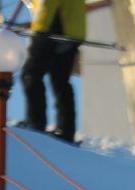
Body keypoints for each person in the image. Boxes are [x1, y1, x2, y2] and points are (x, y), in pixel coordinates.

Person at [20, 0, 88, 144]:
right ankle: (66, 131)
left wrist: (39, 29)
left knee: (31, 75)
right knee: (61, 81)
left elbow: (46, 3)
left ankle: (35, 123)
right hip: (72, 32)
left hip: (52, 29)